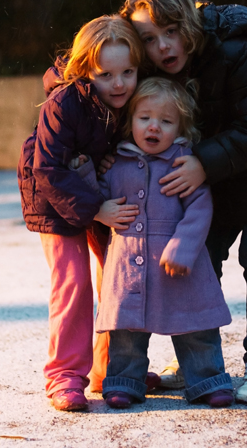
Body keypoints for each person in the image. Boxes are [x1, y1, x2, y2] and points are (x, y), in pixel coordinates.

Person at [119, 0, 247, 404]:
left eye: (170, 31)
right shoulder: (155, 71)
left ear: (189, 22)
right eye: (149, 39)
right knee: (201, 261)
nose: (163, 46)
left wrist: (203, 161)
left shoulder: (239, 54)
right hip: (216, 179)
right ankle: (198, 359)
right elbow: (99, 62)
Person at [18, 14, 143, 412]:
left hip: (99, 191)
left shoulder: (131, 100)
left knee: (118, 278)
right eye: (107, 74)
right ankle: (65, 374)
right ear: (85, 69)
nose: (119, 83)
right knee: (73, 283)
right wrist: (95, 208)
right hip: (54, 197)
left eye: (128, 71)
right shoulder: (64, 102)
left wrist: (107, 163)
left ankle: (112, 369)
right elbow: (48, 167)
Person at [91, 77, 234, 409]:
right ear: (130, 122)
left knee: (195, 326)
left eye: (166, 121)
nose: (154, 127)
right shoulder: (115, 164)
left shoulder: (184, 164)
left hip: (180, 267)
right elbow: (94, 192)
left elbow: (200, 207)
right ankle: (125, 381)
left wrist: (184, 246)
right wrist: (99, 207)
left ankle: (208, 380)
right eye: (145, 118)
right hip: (128, 267)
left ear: (181, 127)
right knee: (126, 332)